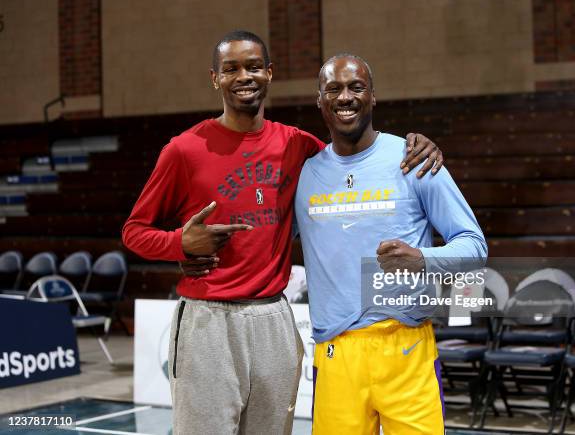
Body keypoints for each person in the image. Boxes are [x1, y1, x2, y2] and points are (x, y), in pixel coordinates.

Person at [123, 31, 443, 435]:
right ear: (214, 79)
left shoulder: (297, 145)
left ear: (269, 73)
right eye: (231, 68)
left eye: (254, 66)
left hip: (274, 316)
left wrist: (416, 144)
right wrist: (178, 244)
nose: (245, 76)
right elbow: (134, 232)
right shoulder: (184, 150)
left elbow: (352, 153)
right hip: (209, 320)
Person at [294, 54, 488, 434]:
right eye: (333, 89)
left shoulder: (414, 159)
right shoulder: (306, 175)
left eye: (356, 87)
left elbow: (474, 248)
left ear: (373, 97)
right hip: (336, 354)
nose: (345, 97)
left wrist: (423, 259)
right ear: (320, 101)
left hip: (406, 346)